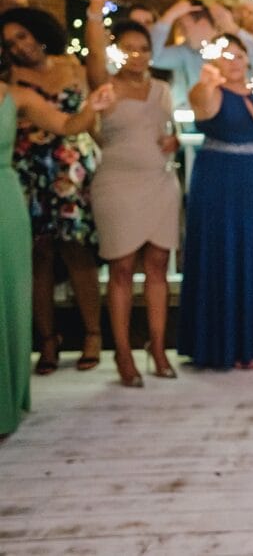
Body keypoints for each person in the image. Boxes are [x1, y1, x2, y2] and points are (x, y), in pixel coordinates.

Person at [83, 0, 181, 387]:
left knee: (157, 265)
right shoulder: (104, 87)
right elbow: (94, 55)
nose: (138, 55)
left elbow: (163, 131)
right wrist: (94, 8)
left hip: (159, 183)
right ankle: (122, 353)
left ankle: (157, 347)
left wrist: (172, 142)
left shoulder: (162, 90)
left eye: (143, 48)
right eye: (129, 49)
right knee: (122, 267)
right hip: (117, 184)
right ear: (118, 52)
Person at [1, 81, 114, 437]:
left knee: (9, 296)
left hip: (4, 203)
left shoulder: (15, 95)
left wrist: (91, 106)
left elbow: (66, 126)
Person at [177, 36, 253, 369]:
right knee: (224, 251)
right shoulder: (210, 90)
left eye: (239, 55)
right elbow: (200, 103)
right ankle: (228, 344)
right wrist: (206, 81)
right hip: (221, 182)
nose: (234, 61)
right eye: (226, 56)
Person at [1, 7, 104, 375]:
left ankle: (93, 334)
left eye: (22, 36)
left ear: (37, 32)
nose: (19, 46)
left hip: (71, 166)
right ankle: (47, 341)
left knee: (77, 250)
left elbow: (90, 115)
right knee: (38, 254)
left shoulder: (72, 65)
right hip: (27, 167)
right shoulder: (10, 79)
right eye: (10, 42)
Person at [150, 0, 253, 108]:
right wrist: (170, 15)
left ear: (202, 23)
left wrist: (232, 27)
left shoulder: (232, 44)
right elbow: (152, 58)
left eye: (184, 27)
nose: (182, 33)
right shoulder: (184, 51)